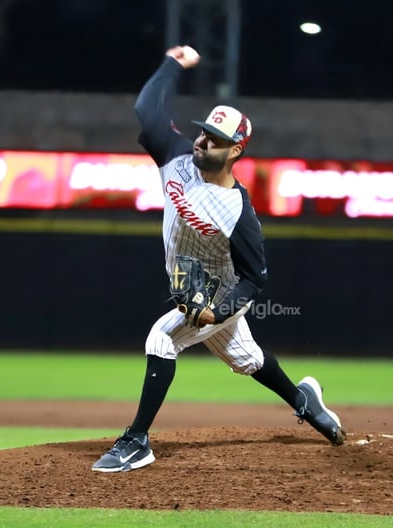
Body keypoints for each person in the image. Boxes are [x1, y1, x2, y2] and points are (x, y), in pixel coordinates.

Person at [91, 45, 346, 473]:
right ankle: (305, 401)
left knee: (161, 338)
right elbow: (145, 105)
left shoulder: (238, 212)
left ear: (235, 152)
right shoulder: (174, 155)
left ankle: (136, 441)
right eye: (204, 131)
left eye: (215, 139)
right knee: (245, 358)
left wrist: (218, 313)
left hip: (223, 292)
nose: (203, 140)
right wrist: (174, 63)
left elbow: (254, 279)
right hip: (194, 289)